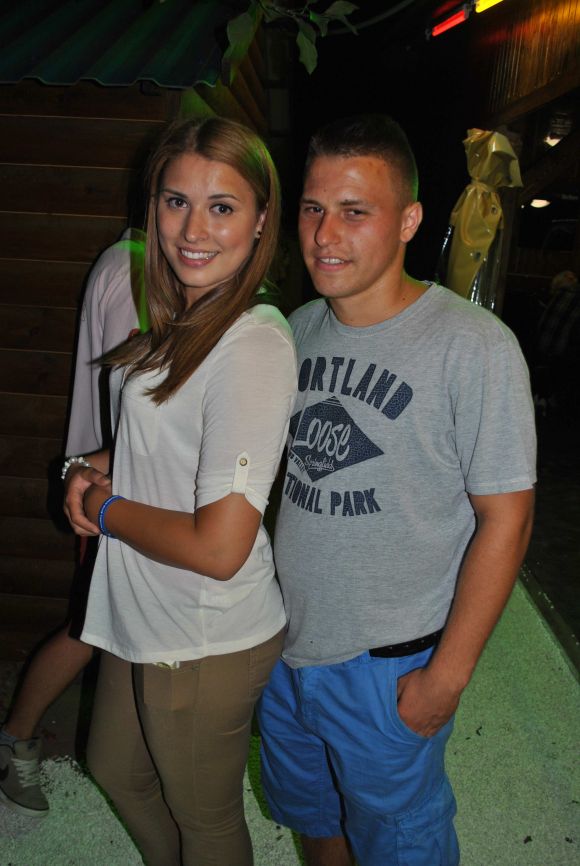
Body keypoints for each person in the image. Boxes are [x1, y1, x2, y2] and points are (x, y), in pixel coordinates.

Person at [257, 114, 536, 866]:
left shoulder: (473, 345)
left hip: (388, 668)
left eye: (355, 212)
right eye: (313, 209)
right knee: (315, 819)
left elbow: (507, 519)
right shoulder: (297, 329)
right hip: (285, 648)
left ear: (409, 221)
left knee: (401, 843)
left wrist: (447, 676)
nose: (325, 235)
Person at [63, 117, 297, 866]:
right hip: (146, 607)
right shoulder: (185, 318)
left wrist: (104, 508)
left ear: (260, 219)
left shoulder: (251, 342)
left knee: (207, 820)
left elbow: (221, 548)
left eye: (222, 207)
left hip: (203, 634)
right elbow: (163, 441)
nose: (193, 230)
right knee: (115, 769)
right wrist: (89, 466)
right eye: (176, 202)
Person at [0, 229, 146, 819]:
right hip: (115, 492)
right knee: (89, 628)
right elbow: (135, 401)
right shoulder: (136, 270)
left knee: (99, 628)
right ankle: (16, 739)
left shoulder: (126, 258)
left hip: (110, 484)